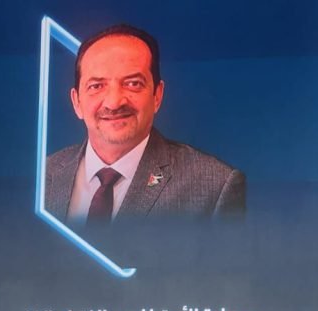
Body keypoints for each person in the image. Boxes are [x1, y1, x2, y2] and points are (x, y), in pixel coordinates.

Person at [45, 25, 245, 225]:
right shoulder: (42, 176)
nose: (114, 102)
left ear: (157, 95)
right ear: (76, 102)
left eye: (133, 83)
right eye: (96, 86)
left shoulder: (216, 187)